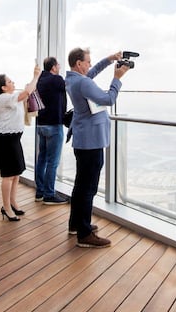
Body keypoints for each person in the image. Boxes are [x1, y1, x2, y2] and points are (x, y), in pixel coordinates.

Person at [65, 48, 129, 248]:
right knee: (88, 188)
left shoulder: (74, 80)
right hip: (91, 142)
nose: (90, 65)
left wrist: (109, 60)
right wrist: (117, 78)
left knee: (81, 185)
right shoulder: (82, 82)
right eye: (88, 62)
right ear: (79, 64)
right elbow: (108, 99)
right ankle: (84, 235)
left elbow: (91, 75)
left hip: (83, 140)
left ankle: (76, 224)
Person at [0, 65, 41, 221]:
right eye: (10, 81)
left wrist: (30, 85)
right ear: (4, 87)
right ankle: (6, 207)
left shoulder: (11, 97)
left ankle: (12, 202)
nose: (13, 83)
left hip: (14, 139)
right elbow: (26, 92)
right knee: (8, 175)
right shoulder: (3, 98)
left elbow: (27, 94)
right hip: (6, 140)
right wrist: (36, 76)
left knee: (16, 172)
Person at [34, 56, 68, 205]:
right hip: (54, 124)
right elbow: (69, 86)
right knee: (52, 162)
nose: (59, 67)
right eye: (58, 65)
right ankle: (49, 194)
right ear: (53, 67)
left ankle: (40, 192)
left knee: (41, 158)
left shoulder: (40, 79)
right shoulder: (57, 79)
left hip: (40, 123)